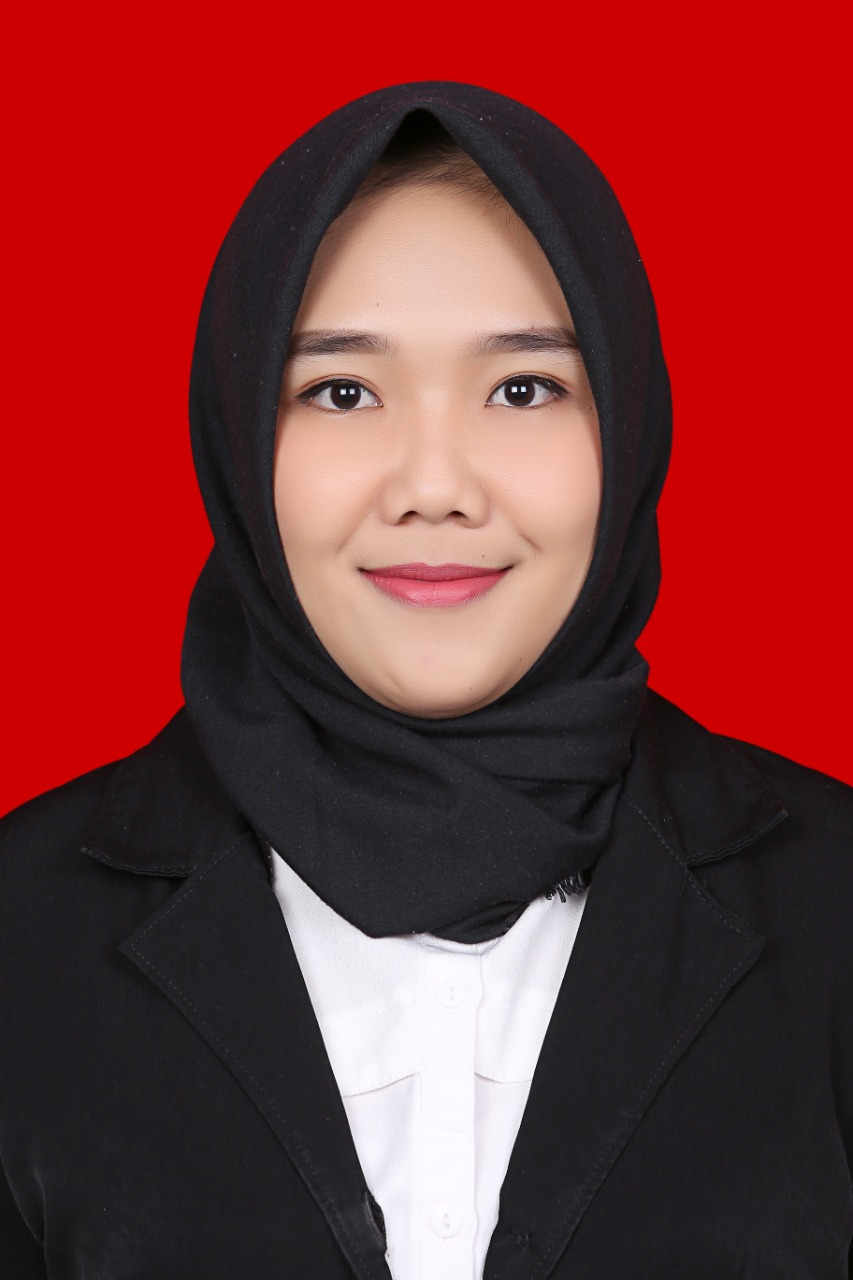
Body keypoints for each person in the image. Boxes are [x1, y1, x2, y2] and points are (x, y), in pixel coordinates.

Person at [0, 81, 851, 1280]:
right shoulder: (23, 928)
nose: (435, 486)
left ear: (627, 426)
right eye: (341, 391)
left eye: (524, 388)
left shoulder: (831, 903)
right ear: (239, 441)